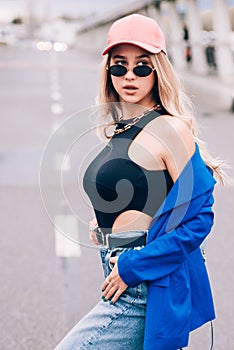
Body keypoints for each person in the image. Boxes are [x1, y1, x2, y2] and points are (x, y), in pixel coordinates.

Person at [55, 14, 225, 350]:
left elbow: (200, 218)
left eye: (142, 66)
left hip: (144, 285)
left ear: (158, 70)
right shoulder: (124, 126)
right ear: (108, 71)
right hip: (118, 270)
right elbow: (143, 192)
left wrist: (134, 264)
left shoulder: (170, 129)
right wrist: (104, 223)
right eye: (119, 66)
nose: (129, 75)